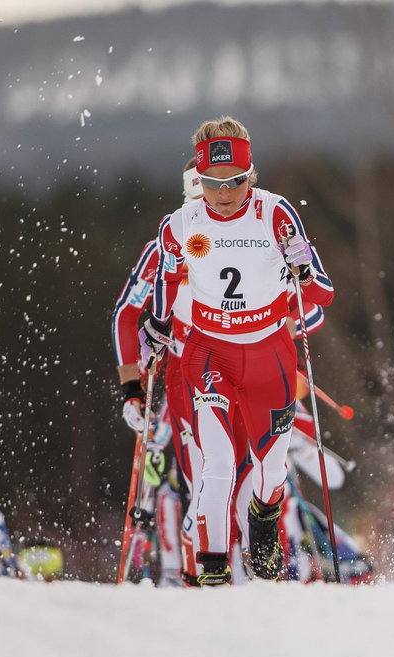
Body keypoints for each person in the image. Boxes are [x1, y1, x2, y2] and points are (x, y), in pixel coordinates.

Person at [144, 116, 334, 585]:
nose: (223, 194)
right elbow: (166, 282)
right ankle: (211, 568)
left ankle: (264, 517)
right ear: (199, 181)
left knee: (271, 466)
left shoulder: (276, 213)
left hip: (269, 352)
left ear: (251, 175)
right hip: (210, 354)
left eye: (233, 182)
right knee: (218, 464)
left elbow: (324, 294)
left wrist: (305, 273)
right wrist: (159, 324)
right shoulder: (181, 224)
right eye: (212, 183)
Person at [111, 158, 204, 586]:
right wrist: (132, 388)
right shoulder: (167, 245)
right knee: (188, 474)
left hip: (243, 374)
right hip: (183, 374)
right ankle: (184, 571)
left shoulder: (256, 235)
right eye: (200, 200)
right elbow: (126, 315)